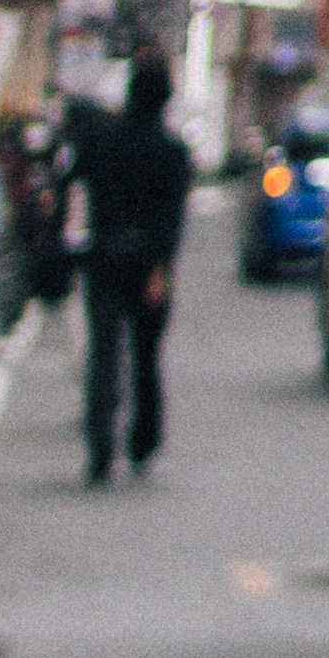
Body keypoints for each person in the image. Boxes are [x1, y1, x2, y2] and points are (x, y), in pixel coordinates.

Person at [68, 53, 193, 487]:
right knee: (145, 356)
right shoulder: (173, 153)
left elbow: (75, 190)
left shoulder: (99, 142)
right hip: (148, 262)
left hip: (103, 255)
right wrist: (160, 267)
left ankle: (101, 447)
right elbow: (172, 220)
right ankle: (143, 441)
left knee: (104, 353)